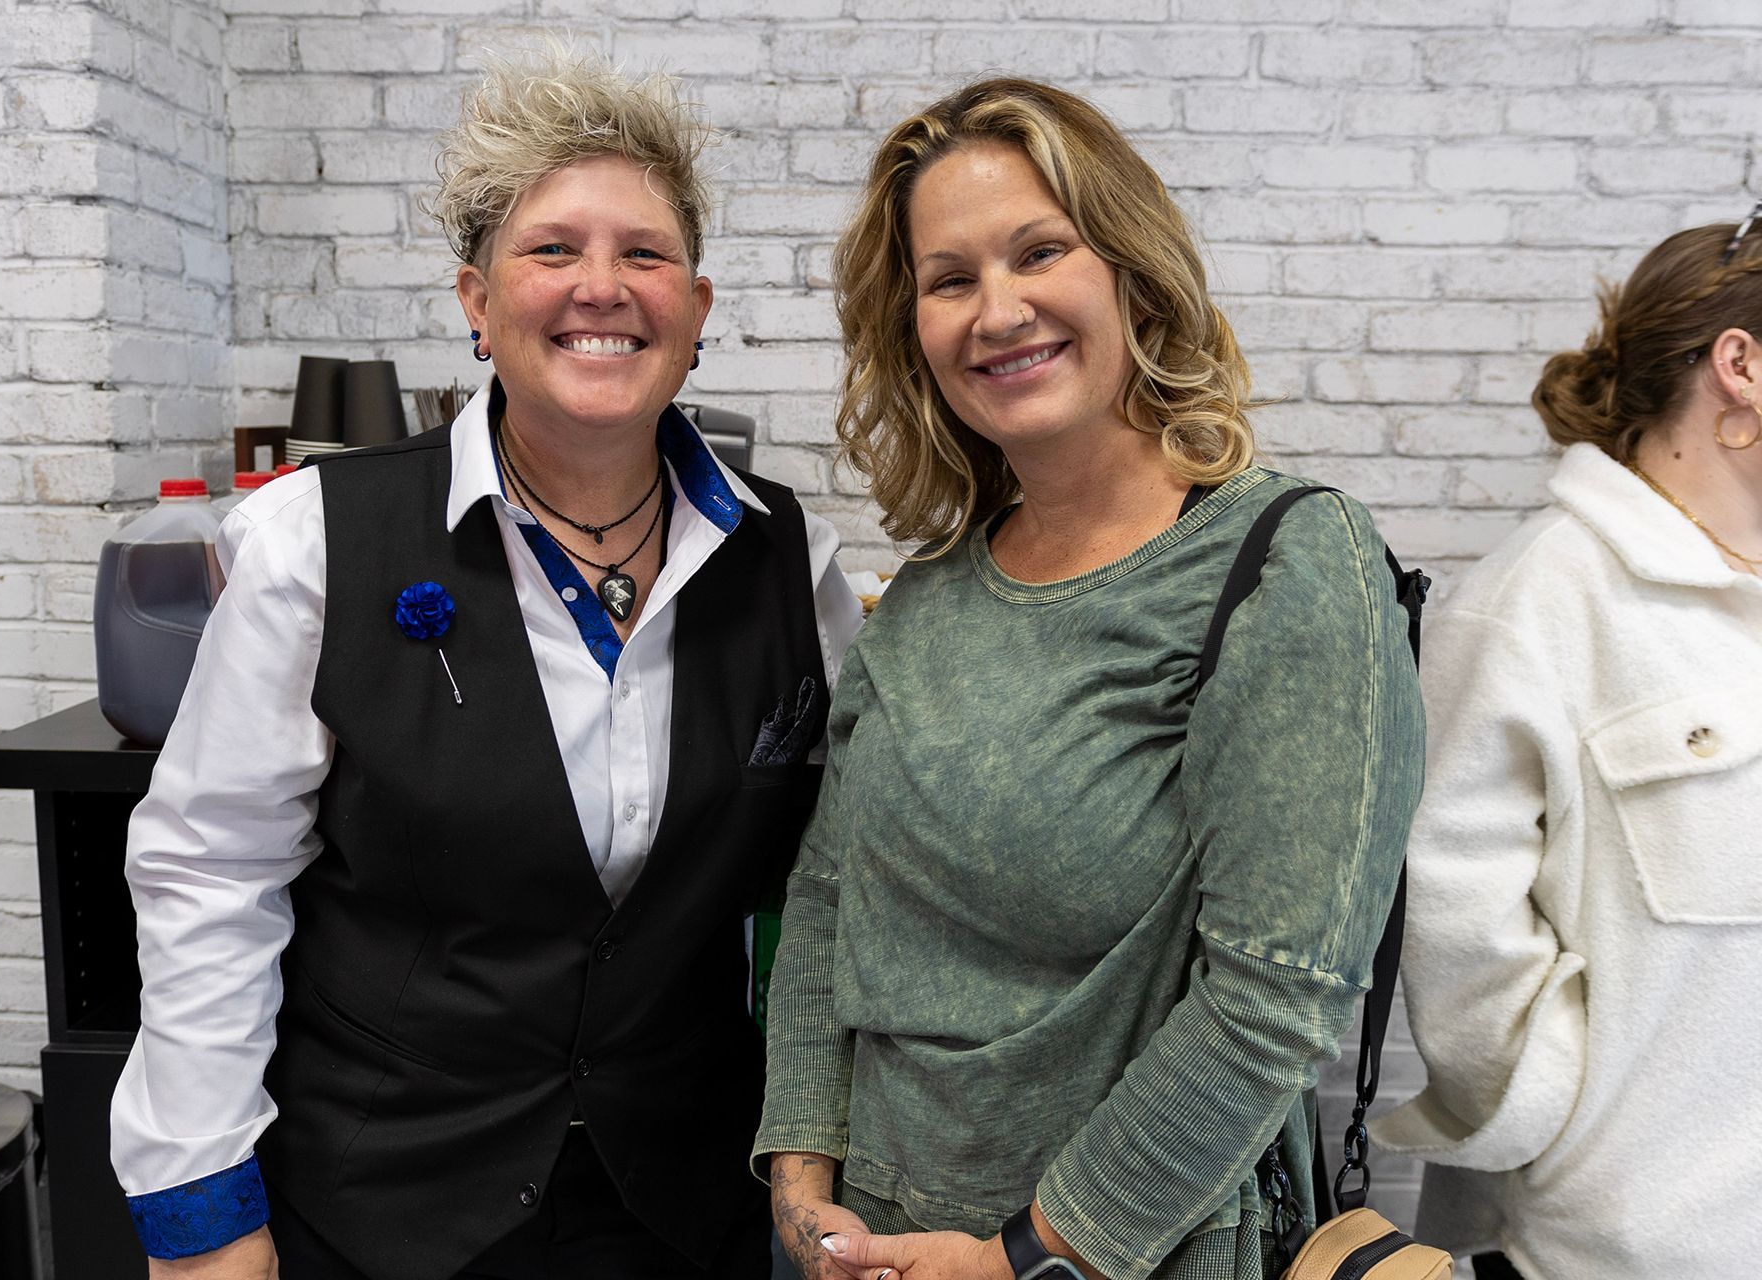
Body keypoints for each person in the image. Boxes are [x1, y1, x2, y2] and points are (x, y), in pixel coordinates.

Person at [110, 49, 862, 1280]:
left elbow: (849, 883)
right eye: (552, 250)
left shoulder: (796, 565)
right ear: (475, 297)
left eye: (646, 253)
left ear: (700, 304)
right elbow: (210, 872)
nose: (601, 287)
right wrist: (201, 1212)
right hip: (387, 1202)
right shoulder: (315, 540)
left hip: (679, 1206)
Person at [754, 78, 1424, 1280]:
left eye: (1039, 251)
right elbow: (826, 906)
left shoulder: (1282, 561)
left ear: (1130, 270)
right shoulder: (927, 596)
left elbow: (1278, 1000)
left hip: (1122, 1254)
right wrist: (805, 1199)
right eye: (949, 278)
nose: (996, 308)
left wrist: (1024, 1257)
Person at [1374, 213, 1762, 1278]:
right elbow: (1451, 919)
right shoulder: (1538, 600)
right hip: (1612, 1247)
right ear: (1742, 366)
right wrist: (1560, 1112)